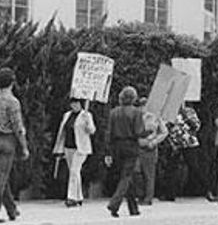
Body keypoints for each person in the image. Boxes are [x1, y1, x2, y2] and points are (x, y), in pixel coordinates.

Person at [0, 67, 29, 223]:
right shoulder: (13, 101)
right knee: (1, 177)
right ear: (12, 83)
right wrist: (24, 146)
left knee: (2, 175)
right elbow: (18, 126)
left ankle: (12, 209)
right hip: (7, 140)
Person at [106, 86, 147, 217]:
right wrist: (148, 131)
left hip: (117, 146)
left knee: (127, 178)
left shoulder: (114, 112)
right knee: (127, 176)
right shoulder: (136, 113)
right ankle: (114, 203)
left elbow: (109, 133)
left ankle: (133, 208)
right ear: (134, 98)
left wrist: (108, 152)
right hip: (131, 145)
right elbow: (138, 132)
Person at [53, 97, 96, 207]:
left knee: (74, 170)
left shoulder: (86, 115)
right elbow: (62, 131)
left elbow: (92, 130)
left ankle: (71, 197)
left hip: (80, 148)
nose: (74, 106)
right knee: (75, 172)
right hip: (68, 147)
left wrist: (88, 122)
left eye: (76, 103)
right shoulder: (67, 115)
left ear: (80, 104)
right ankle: (79, 196)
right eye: (72, 104)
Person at [161, 103, 209, 200]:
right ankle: (169, 194)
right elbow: (166, 128)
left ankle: (207, 191)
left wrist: (188, 119)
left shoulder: (188, 111)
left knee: (195, 167)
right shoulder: (168, 113)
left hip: (189, 142)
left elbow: (197, 126)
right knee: (171, 169)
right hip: (175, 143)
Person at [135, 97, 168, 205]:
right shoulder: (136, 117)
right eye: (140, 106)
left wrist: (154, 141)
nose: (142, 108)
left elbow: (164, 132)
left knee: (148, 174)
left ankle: (148, 198)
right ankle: (140, 194)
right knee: (137, 172)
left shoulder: (155, 117)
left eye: (144, 105)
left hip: (150, 148)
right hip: (138, 147)